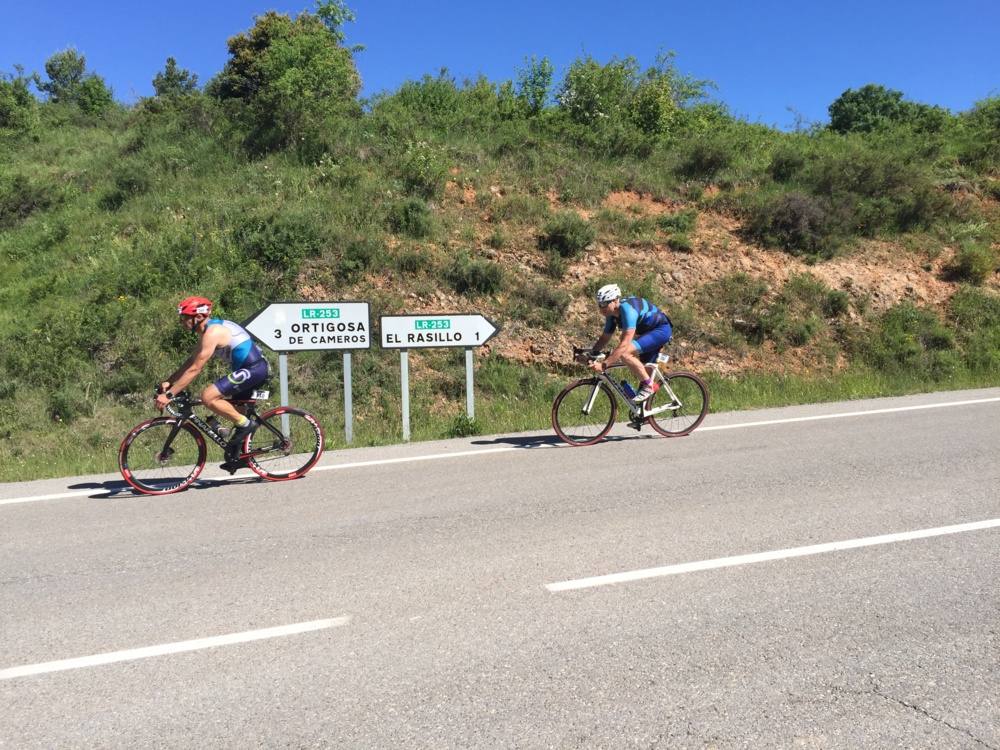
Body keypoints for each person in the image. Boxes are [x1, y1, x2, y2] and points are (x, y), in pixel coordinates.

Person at [155, 296, 270, 469]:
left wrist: (170, 395)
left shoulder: (213, 332)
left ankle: (246, 425)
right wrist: (169, 382)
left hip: (254, 369)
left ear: (198, 317)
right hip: (247, 370)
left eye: (185, 318)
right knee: (236, 413)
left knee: (208, 396)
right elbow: (190, 362)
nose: (182, 322)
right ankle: (242, 457)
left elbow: (195, 369)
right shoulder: (206, 332)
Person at [586, 283, 673, 402]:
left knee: (624, 353)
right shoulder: (611, 315)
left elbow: (625, 343)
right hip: (646, 333)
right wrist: (590, 354)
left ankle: (649, 386)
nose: (602, 308)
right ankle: (643, 412)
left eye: (605, 304)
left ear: (616, 300)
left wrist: (604, 365)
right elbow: (604, 339)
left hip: (660, 330)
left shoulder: (627, 310)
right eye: (600, 304)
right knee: (643, 371)